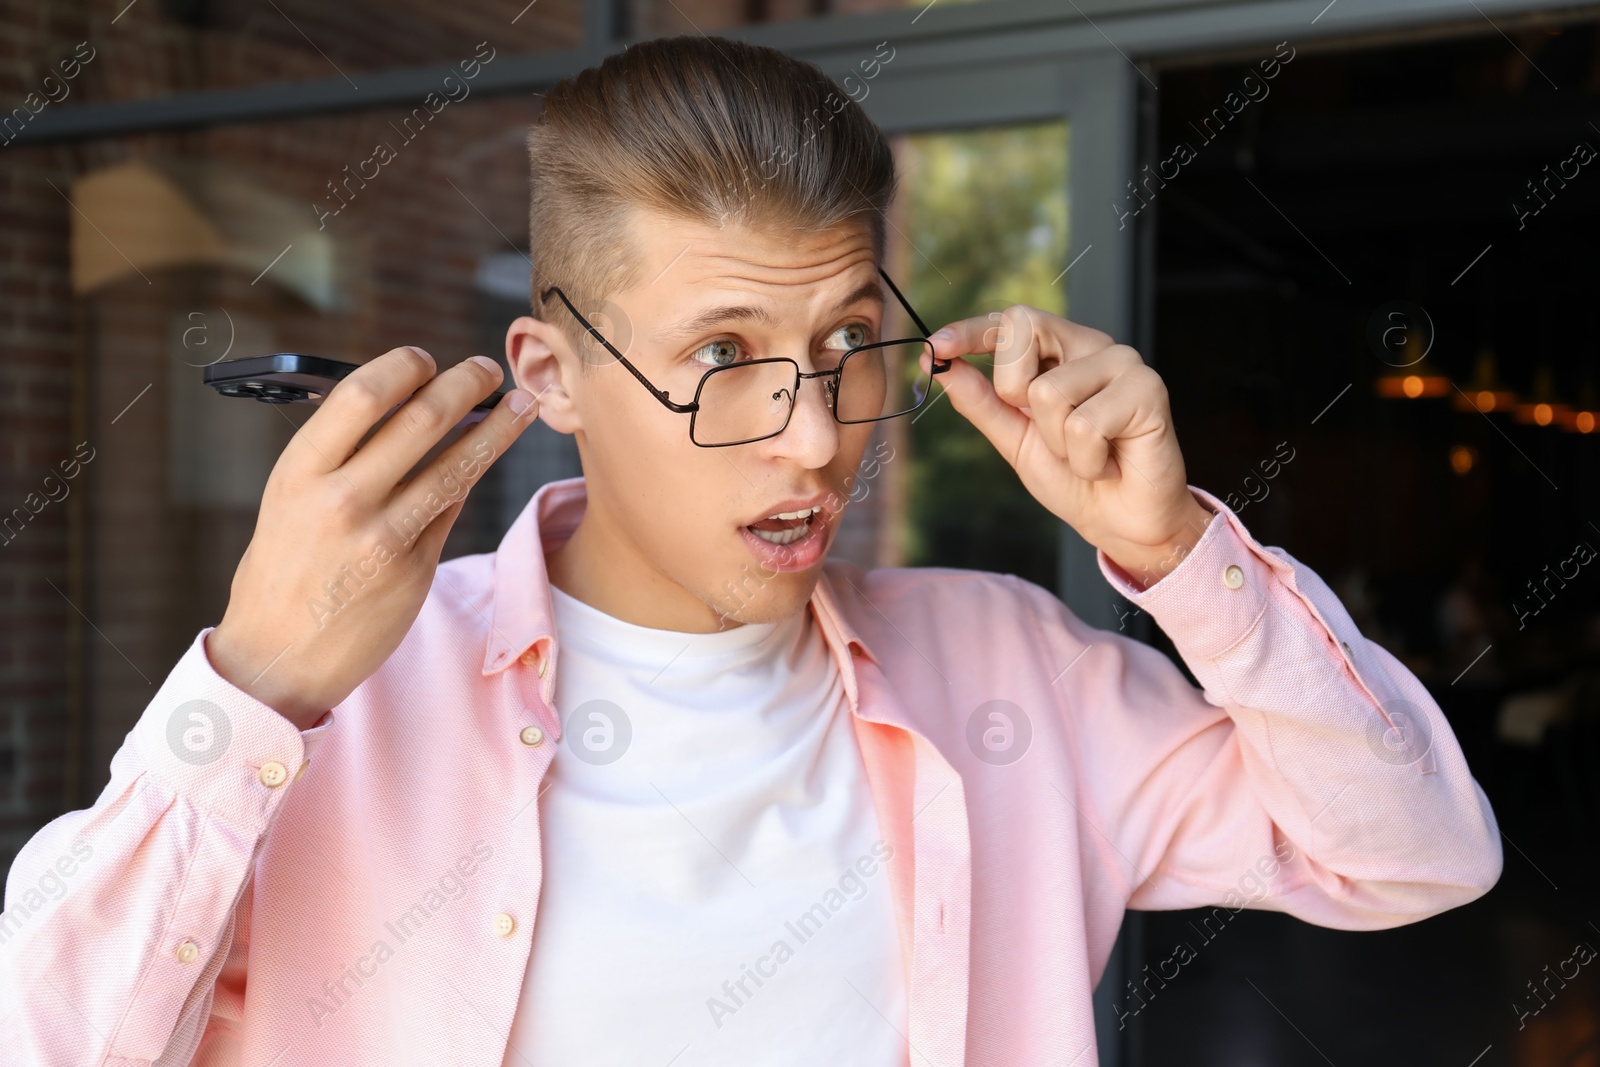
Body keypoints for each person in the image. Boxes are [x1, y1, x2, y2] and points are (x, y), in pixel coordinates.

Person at [0, 34, 1500, 1067]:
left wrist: (1179, 555)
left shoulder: (1013, 677)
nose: (812, 441)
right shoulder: (327, 716)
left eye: (847, 343)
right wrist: (251, 682)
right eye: (724, 353)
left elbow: (1417, 857)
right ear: (549, 376)